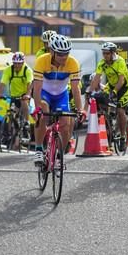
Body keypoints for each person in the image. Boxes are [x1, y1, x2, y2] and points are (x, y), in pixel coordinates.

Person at [32, 34, 85, 164]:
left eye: (66, 53)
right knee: (43, 113)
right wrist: (37, 107)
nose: (64, 57)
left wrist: (80, 109)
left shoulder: (73, 63)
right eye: (60, 54)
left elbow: (75, 89)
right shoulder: (41, 60)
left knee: (66, 125)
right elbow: (37, 88)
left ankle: (59, 153)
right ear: (52, 51)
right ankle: (39, 149)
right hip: (45, 93)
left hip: (61, 95)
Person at [90, 42, 128, 141]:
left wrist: (114, 92)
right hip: (111, 85)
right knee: (100, 97)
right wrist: (90, 92)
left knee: (120, 110)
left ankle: (122, 136)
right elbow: (96, 79)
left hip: (124, 87)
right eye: (103, 53)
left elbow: (121, 81)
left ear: (113, 53)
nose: (105, 56)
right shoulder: (102, 63)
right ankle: (108, 119)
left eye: (107, 53)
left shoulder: (120, 61)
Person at [0, 52, 33, 146]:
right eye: (15, 63)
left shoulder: (27, 70)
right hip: (13, 95)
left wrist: (28, 94)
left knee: (24, 103)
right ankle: (9, 133)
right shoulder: (8, 70)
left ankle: (27, 122)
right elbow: (3, 82)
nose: (17, 65)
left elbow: (29, 84)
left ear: (23, 62)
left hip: (24, 94)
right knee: (11, 112)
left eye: (19, 63)